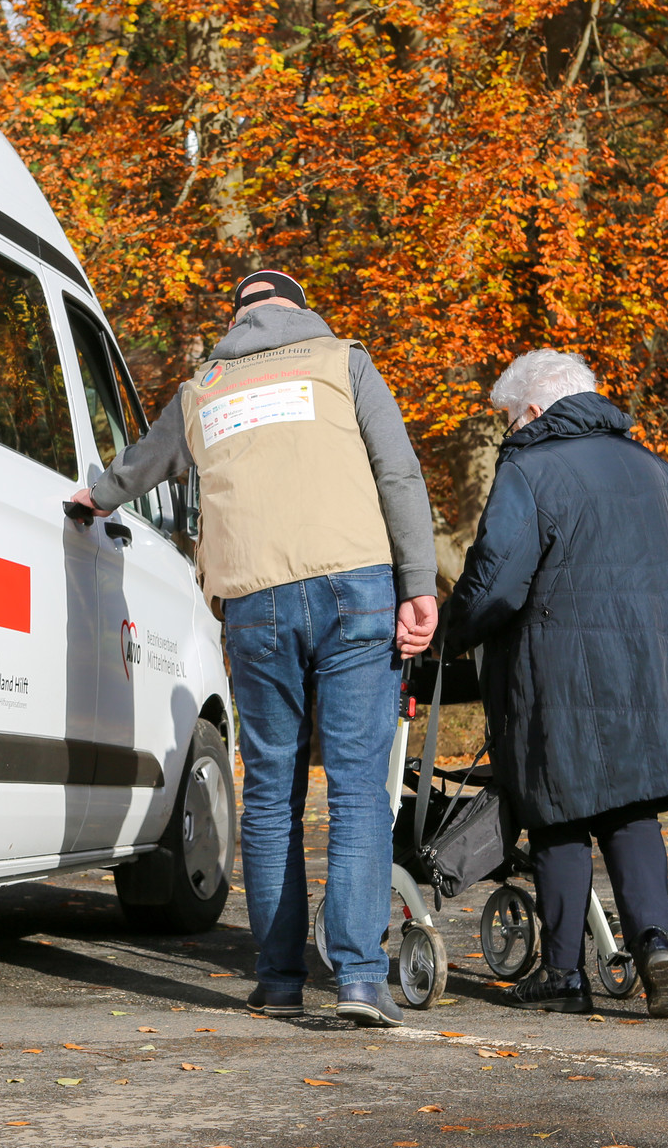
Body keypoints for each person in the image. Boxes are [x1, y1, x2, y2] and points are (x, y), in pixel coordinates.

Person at [70, 270, 438, 1028]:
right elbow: (397, 471)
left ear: (237, 318)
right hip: (356, 588)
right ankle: (361, 980)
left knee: (271, 791)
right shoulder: (344, 362)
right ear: (299, 308)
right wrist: (419, 583)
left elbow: (144, 464)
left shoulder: (204, 388)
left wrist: (95, 496)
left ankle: (277, 977)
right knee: (359, 785)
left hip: (256, 598)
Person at [439, 350, 668, 1018]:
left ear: (537, 411)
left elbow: (496, 581)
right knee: (632, 808)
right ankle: (656, 945)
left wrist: (446, 638)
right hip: (648, 671)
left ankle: (565, 975)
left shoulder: (529, 469)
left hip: (558, 673)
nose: (507, 431)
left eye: (510, 418)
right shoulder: (655, 469)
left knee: (557, 815)